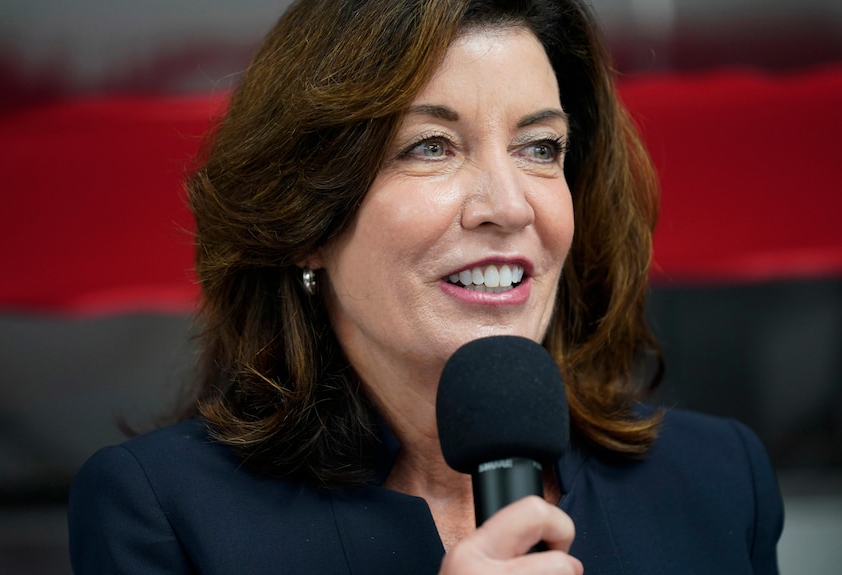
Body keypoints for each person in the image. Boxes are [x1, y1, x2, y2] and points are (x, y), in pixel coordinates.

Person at [68, 0, 784, 573]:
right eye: (430, 146)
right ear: (308, 217)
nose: (507, 205)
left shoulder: (719, 479)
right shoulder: (162, 514)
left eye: (540, 148)